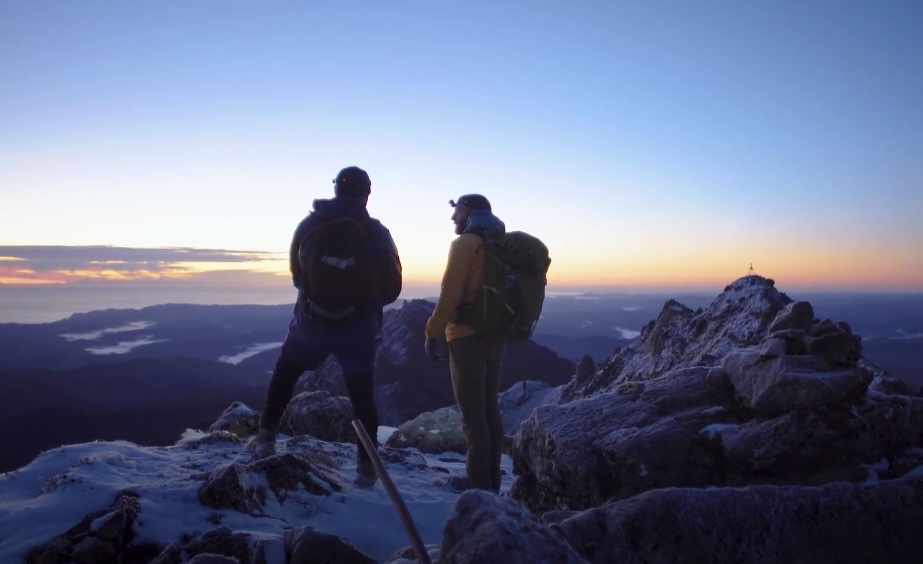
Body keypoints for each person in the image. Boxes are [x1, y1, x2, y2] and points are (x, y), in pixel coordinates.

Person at [249, 166, 402, 483]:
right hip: (358, 329)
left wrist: (318, 302)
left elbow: (297, 273)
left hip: (311, 324)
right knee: (361, 394)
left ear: (336, 190)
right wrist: (364, 305)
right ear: (367, 193)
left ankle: (266, 436)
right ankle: (366, 464)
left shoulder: (309, 225)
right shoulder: (376, 233)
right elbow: (393, 286)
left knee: (286, 372)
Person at [423, 194, 506, 493]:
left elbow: (451, 294)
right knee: (489, 409)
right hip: (495, 335)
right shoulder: (499, 242)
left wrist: (432, 331)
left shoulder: (464, 245)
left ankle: (478, 483)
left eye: (456, 211)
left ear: (469, 211)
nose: (453, 218)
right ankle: (492, 478)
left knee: (472, 415)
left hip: (466, 337)